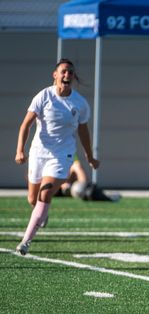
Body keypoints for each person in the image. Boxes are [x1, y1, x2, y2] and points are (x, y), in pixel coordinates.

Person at [15, 58, 100, 255]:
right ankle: (41, 212)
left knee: (45, 193)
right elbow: (25, 124)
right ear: (55, 75)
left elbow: (83, 132)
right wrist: (20, 150)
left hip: (62, 155)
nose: (67, 75)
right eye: (63, 71)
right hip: (39, 152)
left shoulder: (79, 103)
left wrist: (89, 156)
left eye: (70, 72)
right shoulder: (44, 96)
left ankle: (26, 241)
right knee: (32, 198)